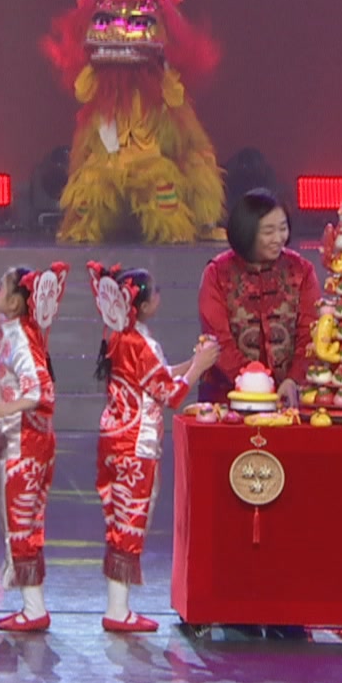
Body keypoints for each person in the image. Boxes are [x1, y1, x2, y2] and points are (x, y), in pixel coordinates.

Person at [89, 261, 218, 632]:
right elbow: (169, 395)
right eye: (155, 291)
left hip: (115, 440)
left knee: (119, 522)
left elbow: (155, 377)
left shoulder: (121, 336)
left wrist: (191, 363)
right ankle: (118, 610)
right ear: (144, 305)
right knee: (130, 523)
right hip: (136, 445)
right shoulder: (139, 343)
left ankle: (119, 607)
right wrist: (197, 369)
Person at [0, 263, 68, 633]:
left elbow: (40, 391)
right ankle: (32, 605)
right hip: (21, 444)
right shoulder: (17, 332)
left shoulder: (24, 342)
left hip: (25, 446)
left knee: (22, 524)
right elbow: (1, 331)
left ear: (15, 302)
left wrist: (7, 408)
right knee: (22, 524)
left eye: (1, 288)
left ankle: (34, 608)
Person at [197, 188, 318, 405]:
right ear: (247, 232)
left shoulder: (302, 271)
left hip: (289, 396)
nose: (278, 238)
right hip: (227, 397)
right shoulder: (217, 273)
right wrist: (257, 384)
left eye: (283, 228)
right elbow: (218, 340)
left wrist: (293, 379)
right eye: (268, 231)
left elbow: (310, 334)